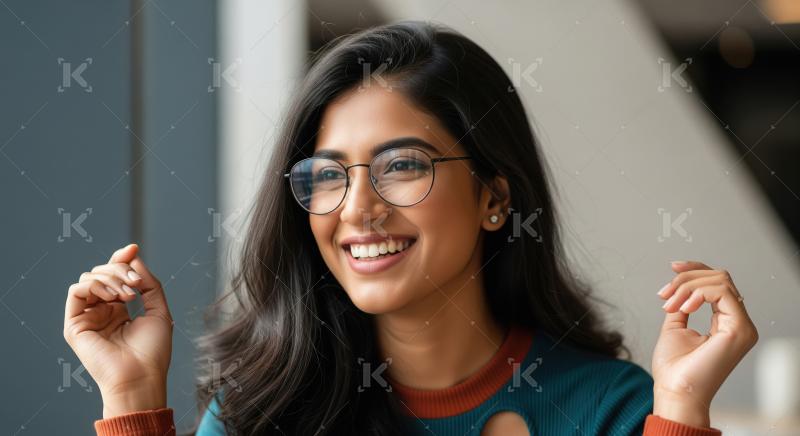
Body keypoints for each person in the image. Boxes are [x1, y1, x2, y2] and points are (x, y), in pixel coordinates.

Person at [63, 21, 758, 435]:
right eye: (328, 176)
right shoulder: (263, 414)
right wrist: (129, 396)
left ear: (494, 197)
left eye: (401, 167)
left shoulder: (613, 409)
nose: (357, 209)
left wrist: (683, 406)